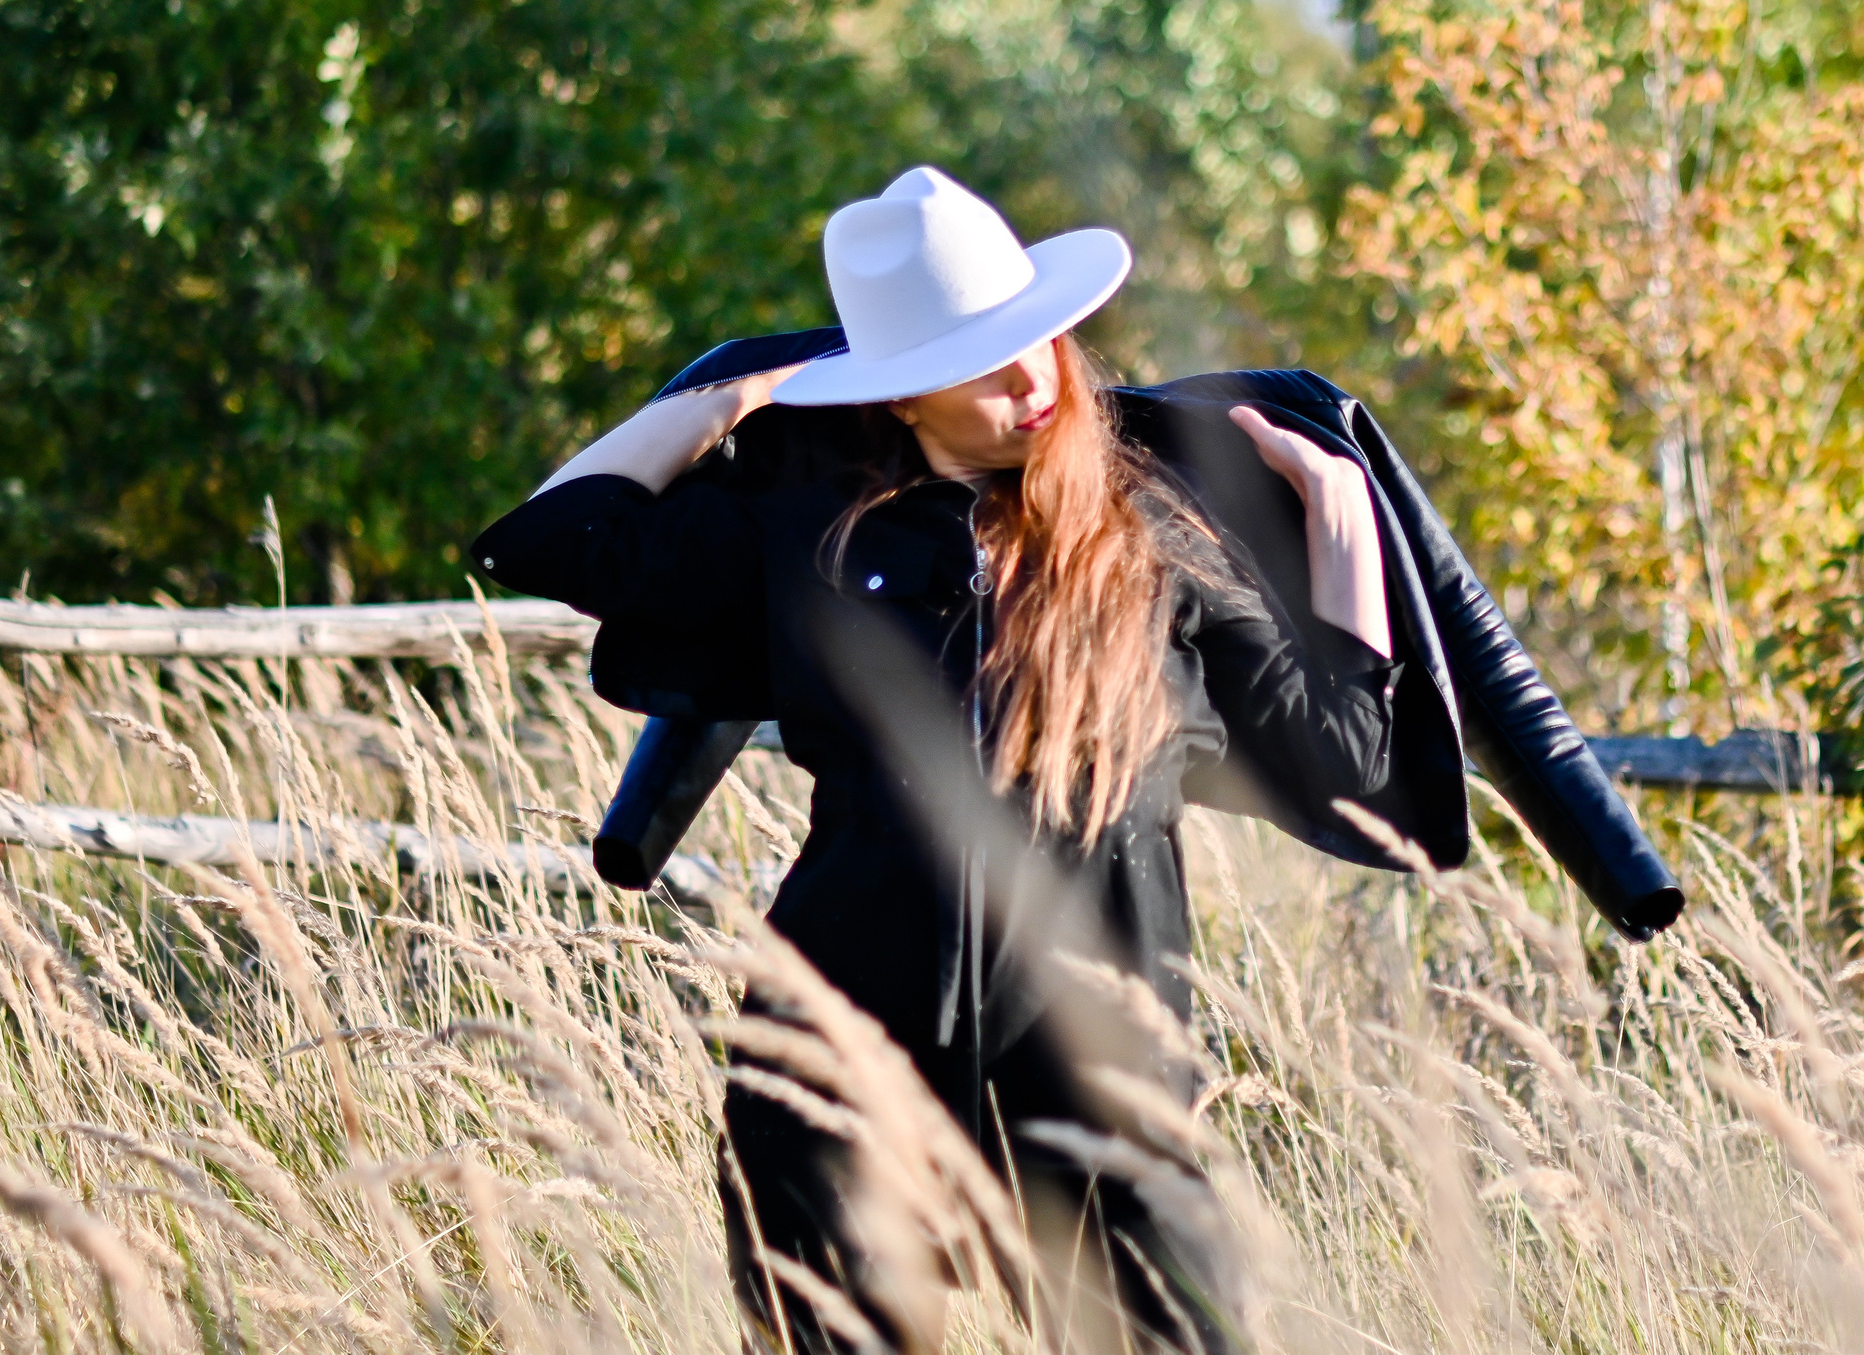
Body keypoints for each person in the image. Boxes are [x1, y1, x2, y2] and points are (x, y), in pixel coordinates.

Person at [471, 167, 1403, 1353]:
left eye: (1042, 342)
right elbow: (553, 534)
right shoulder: (810, 525)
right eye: (982, 362)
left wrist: (1339, 517)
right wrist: (733, 390)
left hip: (1102, 1066)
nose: (1032, 381)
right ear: (902, 398)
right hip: (839, 1053)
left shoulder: (1152, 527)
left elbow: (1348, 754)